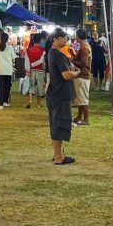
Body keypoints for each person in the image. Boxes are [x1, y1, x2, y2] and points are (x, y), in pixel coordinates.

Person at [46, 30, 80, 165]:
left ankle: (57, 154)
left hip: (54, 93)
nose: (66, 39)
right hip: (60, 94)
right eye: (64, 37)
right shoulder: (58, 55)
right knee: (59, 125)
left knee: (55, 124)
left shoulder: (51, 53)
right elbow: (66, 75)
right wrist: (77, 73)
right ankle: (59, 157)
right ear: (56, 39)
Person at [0, 29, 15, 109]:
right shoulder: (10, 48)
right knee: (7, 87)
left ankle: (0, 104)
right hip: (8, 70)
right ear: (7, 39)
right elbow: (14, 58)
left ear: (0, 39)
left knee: (0, 87)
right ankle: (5, 102)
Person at [72, 29, 92, 126]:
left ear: (78, 37)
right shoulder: (85, 46)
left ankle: (86, 118)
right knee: (80, 97)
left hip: (82, 75)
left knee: (83, 98)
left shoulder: (84, 48)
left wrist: (71, 60)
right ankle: (79, 116)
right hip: (82, 75)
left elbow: (83, 63)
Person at [25, 33, 46, 109]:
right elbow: (42, 61)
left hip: (31, 71)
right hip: (40, 70)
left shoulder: (28, 50)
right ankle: (38, 103)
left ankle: (30, 100)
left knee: (31, 85)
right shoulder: (43, 50)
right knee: (40, 86)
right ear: (40, 40)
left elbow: (26, 62)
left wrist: (28, 70)